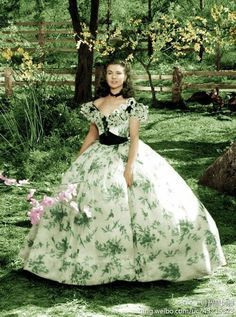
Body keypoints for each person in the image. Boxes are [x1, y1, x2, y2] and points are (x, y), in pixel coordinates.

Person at [20, 60, 226, 285]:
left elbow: (134, 137)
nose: (114, 77)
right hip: (99, 154)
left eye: (118, 73)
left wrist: (129, 168)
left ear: (125, 77)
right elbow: (92, 135)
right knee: (88, 201)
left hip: (125, 154)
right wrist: (77, 160)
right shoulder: (96, 104)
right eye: (110, 73)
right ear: (105, 77)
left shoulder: (131, 105)